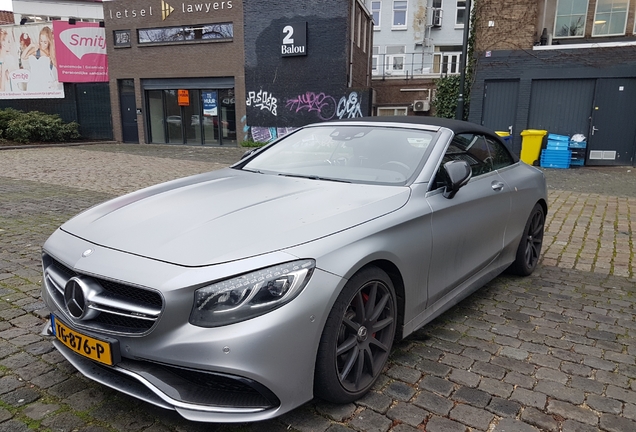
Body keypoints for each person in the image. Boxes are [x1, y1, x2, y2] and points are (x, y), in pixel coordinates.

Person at [27, 26, 61, 92]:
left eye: (45, 42)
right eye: (41, 41)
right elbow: (24, 57)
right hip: (33, 86)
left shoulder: (52, 55)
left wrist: (56, 82)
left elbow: (63, 72)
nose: (43, 44)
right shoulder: (36, 50)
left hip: (46, 87)